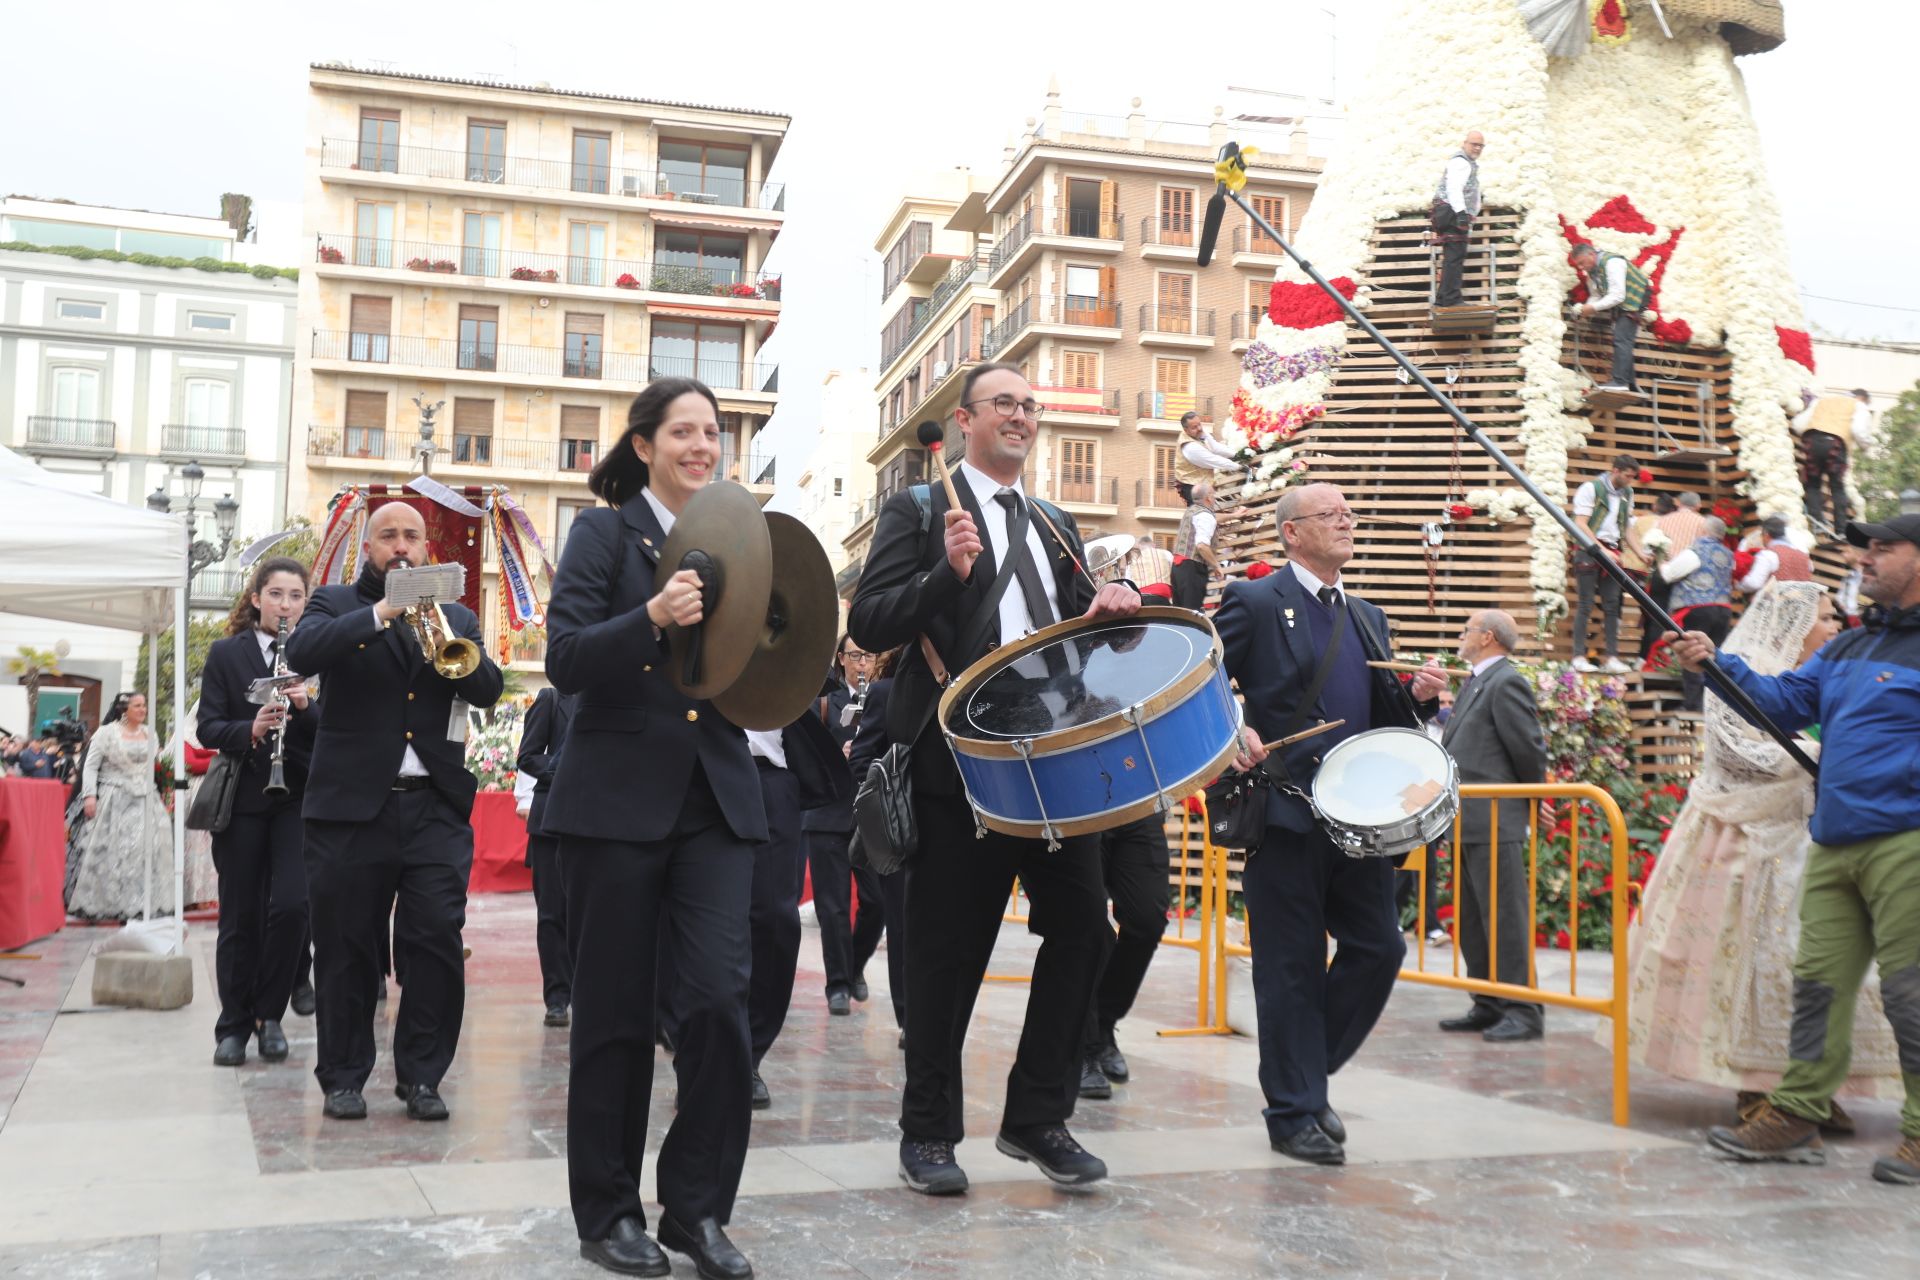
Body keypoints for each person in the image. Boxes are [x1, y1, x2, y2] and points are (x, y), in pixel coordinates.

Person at [850, 361, 1141, 1195]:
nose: (1020, 415)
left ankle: (1037, 1118)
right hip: (959, 765)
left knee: (1086, 930)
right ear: (966, 421)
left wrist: (1112, 616)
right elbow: (870, 621)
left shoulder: (1056, 523)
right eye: (1003, 404)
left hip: (1055, 763)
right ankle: (930, 1134)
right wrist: (946, 572)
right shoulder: (917, 508)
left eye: (1029, 405)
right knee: (947, 956)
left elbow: (1079, 638)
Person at [544, 376, 765, 1279]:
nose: (701, 447)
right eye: (683, 431)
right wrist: (649, 616)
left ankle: (697, 1210)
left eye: (713, 433)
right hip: (615, 805)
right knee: (616, 1018)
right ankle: (607, 1215)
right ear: (644, 445)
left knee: (718, 1004)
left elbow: (764, 669)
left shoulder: (744, 542)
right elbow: (564, 660)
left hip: (714, 799)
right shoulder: (602, 534)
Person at [1671, 513, 1920, 1186]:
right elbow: (1779, 704)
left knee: (1910, 993)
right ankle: (1798, 1111)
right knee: (1816, 985)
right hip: (1837, 841)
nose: (1864, 559)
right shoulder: (1847, 648)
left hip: (1908, 843)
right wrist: (1716, 665)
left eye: (1883, 549)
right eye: (1864, 549)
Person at [1215, 483, 1444, 1165]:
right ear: (1292, 533)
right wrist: (1236, 727)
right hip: (1285, 812)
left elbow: (1383, 712)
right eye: (1330, 514)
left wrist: (1416, 697)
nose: (1346, 522)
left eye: (1349, 513)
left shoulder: (1368, 614)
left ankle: (1307, 1077)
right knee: (1287, 968)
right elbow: (1205, 679)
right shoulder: (1254, 602)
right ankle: (1293, 1111)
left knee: (1380, 948)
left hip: (1360, 817)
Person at [1620, 582, 1904, 1125]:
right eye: (1824, 618)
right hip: (1744, 846)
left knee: (1825, 972)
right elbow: (1741, 754)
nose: (1834, 627)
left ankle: (1814, 1090)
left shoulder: (1834, 676)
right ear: (1791, 626)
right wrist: (1840, 755)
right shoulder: (1737, 672)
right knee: (1749, 971)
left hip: (1821, 837)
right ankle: (1758, 1089)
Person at [285, 501, 503, 1125]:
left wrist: (438, 630)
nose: (401, 546)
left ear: (428, 548)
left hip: (433, 804)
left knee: (435, 938)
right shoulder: (334, 603)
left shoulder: (455, 614)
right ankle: (345, 1077)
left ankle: (423, 1076)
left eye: (412, 536)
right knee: (348, 947)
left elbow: (485, 689)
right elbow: (304, 651)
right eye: (388, 536)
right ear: (368, 546)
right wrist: (382, 612)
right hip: (351, 810)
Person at [657, 692, 846, 1110]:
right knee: (678, 923)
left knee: (775, 924)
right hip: (688, 767)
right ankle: (692, 1049)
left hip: (767, 775)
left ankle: (748, 1054)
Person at [196, 557, 317, 1068]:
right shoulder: (227, 653)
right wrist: (251, 730)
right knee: (241, 916)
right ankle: (234, 1026)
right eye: (276, 594)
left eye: (295, 596)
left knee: (291, 908)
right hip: (245, 799)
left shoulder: (315, 655)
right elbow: (207, 727)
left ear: (305, 603)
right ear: (256, 598)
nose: (285, 605)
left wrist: (306, 706)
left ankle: (270, 1015)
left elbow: (333, 733)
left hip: (297, 800)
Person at [1435, 609, 1548, 1042]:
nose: (1461, 637)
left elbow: (1528, 749)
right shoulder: (1477, 680)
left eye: (1466, 631)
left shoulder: (1506, 681)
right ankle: (1488, 1000)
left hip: (1496, 817)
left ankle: (1523, 1008)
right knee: (1473, 917)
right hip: (1469, 818)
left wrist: (1533, 802)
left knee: (1504, 917)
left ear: (1486, 637)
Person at [811, 635, 882, 1019]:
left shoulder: (883, 700)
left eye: (868, 656)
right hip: (826, 815)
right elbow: (803, 753)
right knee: (834, 907)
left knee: (877, 902)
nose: (862, 663)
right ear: (841, 659)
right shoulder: (824, 702)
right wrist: (835, 756)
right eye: (855, 655)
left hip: (869, 818)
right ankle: (837, 984)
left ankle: (854, 966)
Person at [1078, 811, 1173, 1098]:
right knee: (1085, 927)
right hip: (1079, 802)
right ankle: (1085, 1046)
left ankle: (1103, 1022)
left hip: (1137, 799)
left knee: (1147, 921)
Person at [846, 648, 909, 1046]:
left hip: (947, 826)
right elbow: (861, 759)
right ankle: (909, 1018)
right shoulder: (886, 693)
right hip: (897, 827)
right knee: (900, 922)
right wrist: (888, 784)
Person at [67, 692, 174, 920]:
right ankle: (109, 901)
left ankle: (142, 900)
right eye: (137, 706)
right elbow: (90, 766)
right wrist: (89, 796)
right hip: (113, 798)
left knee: (144, 850)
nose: (143, 710)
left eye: (144, 705)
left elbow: (152, 767)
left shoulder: (150, 733)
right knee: (114, 852)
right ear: (124, 710)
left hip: (145, 798)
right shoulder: (106, 733)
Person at [515, 685, 576, 1029]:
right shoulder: (552, 699)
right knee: (552, 914)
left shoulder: (613, 693)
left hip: (597, 821)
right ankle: (556, 997)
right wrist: (565, 769)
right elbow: (528, 756)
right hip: (550, 820)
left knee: (591, 914)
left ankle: (586, 990)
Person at [1568, 455, 1640, 674]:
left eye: (1633, 477)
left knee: (1612, 605)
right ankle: (1578, 656)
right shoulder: (1591, 488)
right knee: (1586, 603)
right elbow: (1580, 523)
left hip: (1612, 549)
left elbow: (1626, 527)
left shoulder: (1628, 494)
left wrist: (1640, 552)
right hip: (1588, 549)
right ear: (1615, 471)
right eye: (1627, 476)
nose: (1630, 481)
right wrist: (1602, 550)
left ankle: (1611, 658)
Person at [1660, 515, 1736, 711]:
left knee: (1694, 654)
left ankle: (1693, 705)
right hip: (1723, 609)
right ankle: (1712, 707)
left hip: (1698, 608)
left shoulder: (1695, 551)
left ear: (1703, 531)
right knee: (1714, 658)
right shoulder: (1729, 554)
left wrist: (1660, 559)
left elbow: (1669, 574)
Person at [1571, 242, 1652, 395]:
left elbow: (1617, 295)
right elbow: (1596, 295)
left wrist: (1592, 308)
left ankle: (1620, 382)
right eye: (1578, 265)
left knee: (1621, 339)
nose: (1581, 267)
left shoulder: (1612, 263)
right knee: (1623, 339)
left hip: (1636, 298)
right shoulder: (1593, 273)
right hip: (1623, 303)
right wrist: (1586, 309)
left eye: (1582, 263)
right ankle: (1630, 383)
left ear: (1591, 255)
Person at [1791, 390, 1872, 534]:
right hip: (1836, 444)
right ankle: (1840, 530)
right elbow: (1858, 430)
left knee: (1813, 483)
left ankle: (1817, 523)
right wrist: (1866, 446)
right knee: (1837, 488)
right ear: (1863, 399)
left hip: (1812, 441)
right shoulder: (1859, 406)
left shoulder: (1821, 401)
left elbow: (1798, 424)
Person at [1431, 130, 1485, 309]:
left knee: (1453, 256)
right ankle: (1452, 299)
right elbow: (1454, 188)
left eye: (1480, 145)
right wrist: (1461, 213)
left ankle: (1442, 299)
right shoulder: (1461, 162)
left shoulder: (1465, 162)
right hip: (1452, 211)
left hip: (1449, 211)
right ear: (1465, 143)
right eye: (1474, 144)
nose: (1477, 148)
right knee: (1455, 256)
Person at [1170, 480, 1222, 610]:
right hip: (1192, 569)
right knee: (1192, 612)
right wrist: (1216, 566)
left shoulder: (1192, 511)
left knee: (1181, 613)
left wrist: (1234, 515)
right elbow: (1201, 546)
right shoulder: (1205, 515)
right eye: (1213, 495)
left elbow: (1214, 518)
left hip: (1178, 568)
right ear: (1208, 498)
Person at [1173, 411, 1243, 504]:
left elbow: (1215, 447)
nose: (1199, 428)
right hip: (1192, 487)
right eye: (1194, 427)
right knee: (1203, 513)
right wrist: (1238, 467)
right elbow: (1214, 460)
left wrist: (1236, 454)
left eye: (1199, 424)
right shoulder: (1190, 447)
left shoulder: (1197, 432)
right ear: (1186, 430)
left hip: (1203, 483)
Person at [1738, 515, 1814, 596]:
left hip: (1775, 606)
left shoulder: (1767, 554)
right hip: (1800, 606)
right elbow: (1810, 571)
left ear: (1766, 534)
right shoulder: (1804, 556)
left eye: (1762, 535)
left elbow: (1754, 583)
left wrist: (1738, 584)